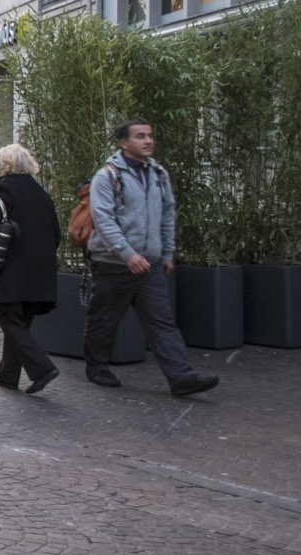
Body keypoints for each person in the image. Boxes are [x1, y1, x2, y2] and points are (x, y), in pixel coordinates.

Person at [84, 119, 220, 397]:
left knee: (162, 320)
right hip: (113, 263)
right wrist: (127, 253)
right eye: (140, 136)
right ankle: (97, 367)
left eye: (150, 135)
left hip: (150, 264)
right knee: (105, 318)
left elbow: (167, 215)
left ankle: (181, 378)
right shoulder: (107, 176)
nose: (148, 141)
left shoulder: (159, 173)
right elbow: (104, 220)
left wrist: (168, 253)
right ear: (124, 143)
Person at [0, 144, 61, 393]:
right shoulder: (41, 194)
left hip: (13, 267)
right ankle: (8, 374)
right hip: (41, 268)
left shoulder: (2, 192)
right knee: (20, 321)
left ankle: (42, 368)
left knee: (9, 319)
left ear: (4, 166)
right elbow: (56, 234)